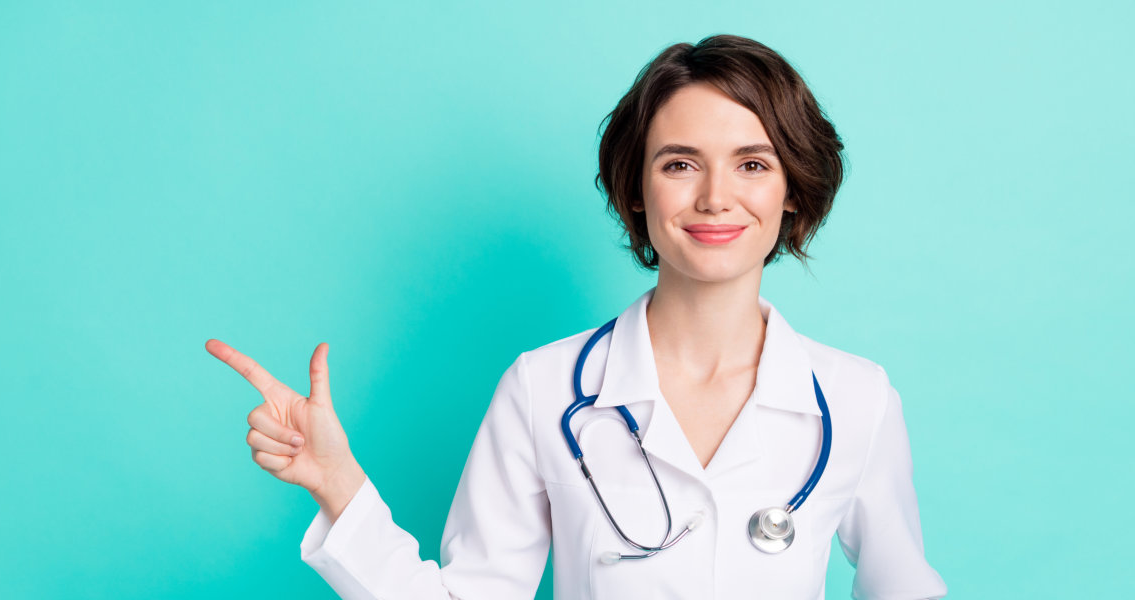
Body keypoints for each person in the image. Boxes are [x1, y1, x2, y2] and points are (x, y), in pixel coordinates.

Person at [205, 34, 947, 599]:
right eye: (679, 163)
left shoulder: (855, 399)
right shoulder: (544, 389)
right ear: (636, 191)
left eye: (752, 164)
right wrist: (338, 486)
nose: (717, 197)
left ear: (792, 190)